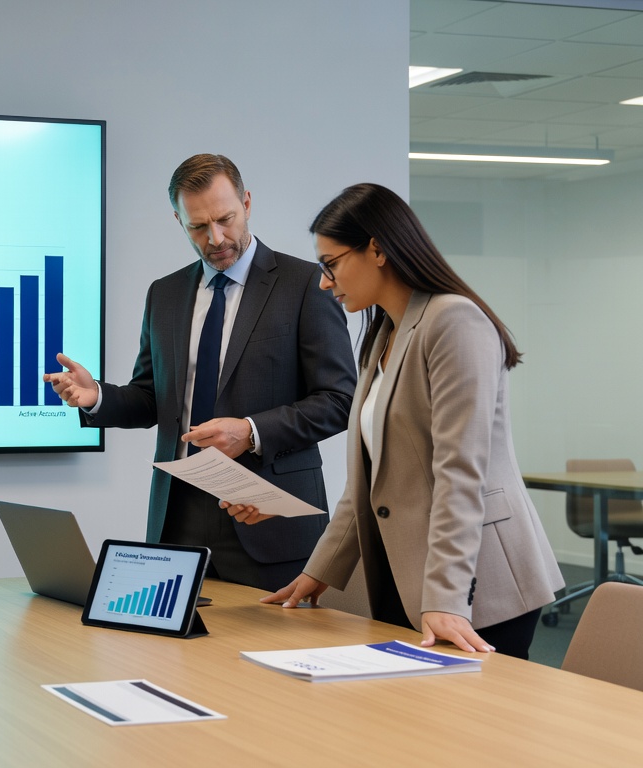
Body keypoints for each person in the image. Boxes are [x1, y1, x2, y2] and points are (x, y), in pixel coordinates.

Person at [232, 182, 565, 659]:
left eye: (331, 264)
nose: (324, 281)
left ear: (377, 249)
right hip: (406, 574)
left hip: (479, 587)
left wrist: (448, 597)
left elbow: (460, 473)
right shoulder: (384, 332)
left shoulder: (454, 322)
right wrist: (318, 570)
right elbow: (367, 484)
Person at [45, 154, 356, 591]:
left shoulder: (306, 285)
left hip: (269, 518)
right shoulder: (166, 294)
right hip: (178, 518)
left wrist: (250, 431)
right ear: (178, 219)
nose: (216, 238)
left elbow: (340, 401)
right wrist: (96, 395)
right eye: (197, 227)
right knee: (172, 658)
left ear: (246, 202)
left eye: (226, 219)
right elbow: (154, 396)